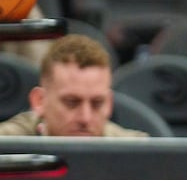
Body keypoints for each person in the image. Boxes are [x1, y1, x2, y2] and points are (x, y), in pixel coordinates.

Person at [0, 35, 146, 137]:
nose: (85, 118)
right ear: (39, 101)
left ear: (109, 104)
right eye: (71, 102)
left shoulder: (138, 154)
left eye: (97, 103)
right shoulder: (7, 145)